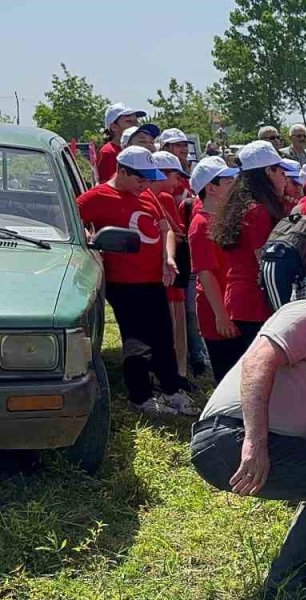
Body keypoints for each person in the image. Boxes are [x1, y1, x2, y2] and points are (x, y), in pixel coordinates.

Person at [189, 300, 306, 599]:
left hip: (279, 439)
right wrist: (254, 441)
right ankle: (288, 584)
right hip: (227, 438)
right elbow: (258, 361)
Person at [75, 147, 199, 418]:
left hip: (155, 278)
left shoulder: (145, 195)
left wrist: (168, 257)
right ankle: (140, 396)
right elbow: (74, 222)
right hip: (123, 282)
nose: (145, 183)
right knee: (136, 339)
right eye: (140, 177)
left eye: (148, 178)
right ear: (122, 170)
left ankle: (171, 391)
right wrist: (87, 236)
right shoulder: (96, 197)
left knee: (163, 336)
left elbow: (164, 228)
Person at [210, 140, 292, 366]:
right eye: (280, 169)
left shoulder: (244, 206)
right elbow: (264, 264)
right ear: (268, 171)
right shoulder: (257, 212)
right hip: (255, 303)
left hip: (242, 301)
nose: (285, 175)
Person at [188, 156, 243, 382]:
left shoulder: (223, 218)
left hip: (232, 307)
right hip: (216, 310)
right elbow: (206, 273)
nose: (234, 185)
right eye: (228, 182)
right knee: (226, 374)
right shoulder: (200, 225)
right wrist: (221, 316)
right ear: (211, 188)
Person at [149, 151, 196, 387]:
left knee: (172, 324)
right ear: (163, 174)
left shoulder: (160, 197)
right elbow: (176, 232)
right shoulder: (161, 198)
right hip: (164, 271)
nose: (179, 182)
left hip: (166, 271)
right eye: (175, 176)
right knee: (171, 326)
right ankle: (175, 373)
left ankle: (174, 373)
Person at [96, 103, 146, 183]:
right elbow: (108, 188)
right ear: (114, 127)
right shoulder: (108, 152)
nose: (135, 125)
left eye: (136, 121)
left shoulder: (138, 150)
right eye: (129, 121)